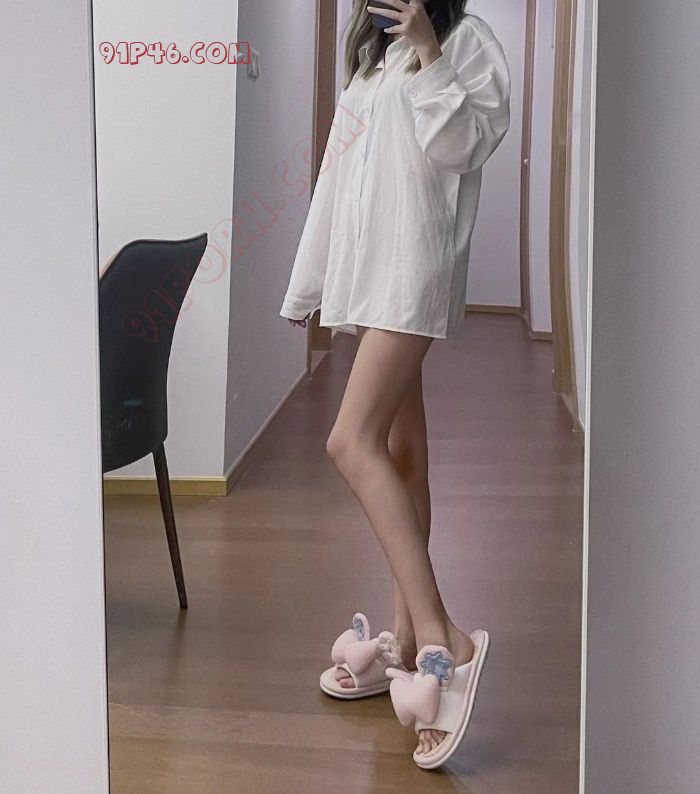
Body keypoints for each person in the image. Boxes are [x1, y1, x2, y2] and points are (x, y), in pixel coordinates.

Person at [279, 0, 510, 770]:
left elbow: (467, 145)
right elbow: (337, 174)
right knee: (402, 455)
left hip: (413, 271)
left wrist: (430, 53)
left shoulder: (466, 40)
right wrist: (310, 282)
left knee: (349, 442)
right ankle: (406, 637)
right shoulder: (371, 58)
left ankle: (445, 637)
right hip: (366, 272)